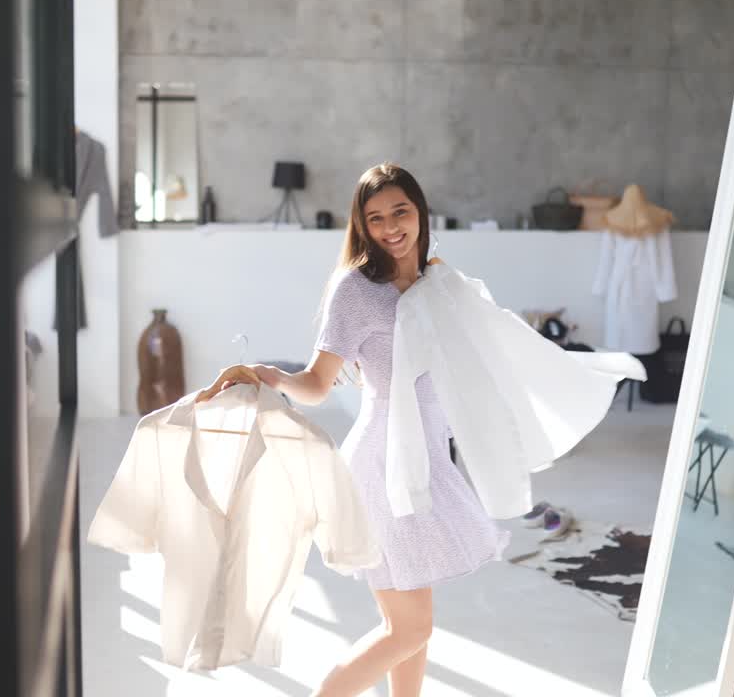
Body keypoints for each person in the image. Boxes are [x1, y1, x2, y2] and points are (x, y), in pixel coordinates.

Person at [199, 163, 505, 697]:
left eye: (400, 212)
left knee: (411, 629)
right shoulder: (356, 291)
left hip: (428, 460)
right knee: (410, 628)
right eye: (376, 217)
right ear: (362, 226)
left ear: (420, 212)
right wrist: (269, 376)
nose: (391, 227)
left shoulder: (436, 280)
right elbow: (318, 383)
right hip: (385, 465)